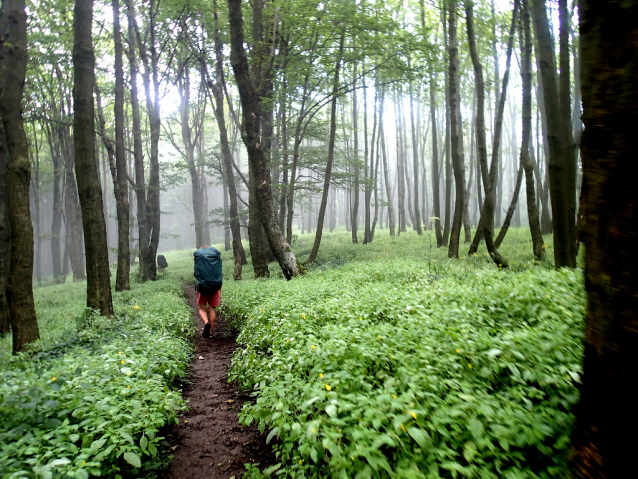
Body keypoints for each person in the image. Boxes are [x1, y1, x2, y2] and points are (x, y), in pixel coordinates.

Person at [193, 246, 223, 339]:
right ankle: (210, 332)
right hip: (215, 286)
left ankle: (206, 323)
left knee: (201, 307)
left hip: (203, 286)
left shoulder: (199, 259)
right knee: (212, 307)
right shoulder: (215, 258)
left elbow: (196, 274)